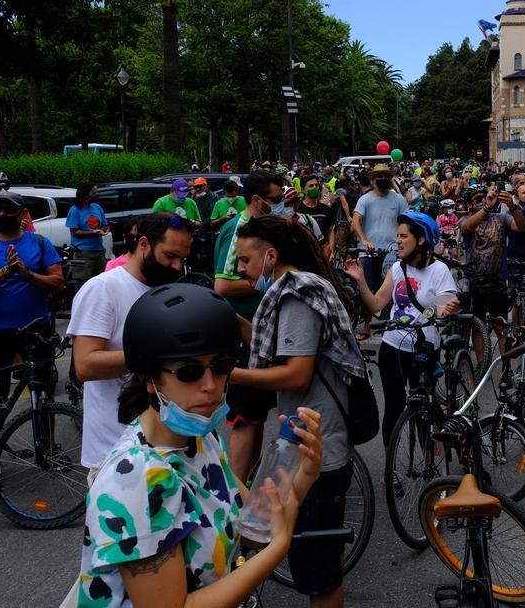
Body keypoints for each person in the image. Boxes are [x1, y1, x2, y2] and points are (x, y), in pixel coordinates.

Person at [76, 283, 324, 608]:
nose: (210, 386)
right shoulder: (137, 481)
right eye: (190, 371)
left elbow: (252, 525)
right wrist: (279, 549)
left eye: (222, 367)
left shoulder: (200, 438)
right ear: (150, 379)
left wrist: (304, 473)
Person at [230, 215, 366, 608]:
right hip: (314, 443)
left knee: (317, 572)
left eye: (244, 260)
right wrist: (238, 324)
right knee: (322, 558)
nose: (241, 269)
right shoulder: (297, 290)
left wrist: (228, 375)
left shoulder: (296, 296)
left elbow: (296, 373)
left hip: (315, 454)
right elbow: (283, 348)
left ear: (270, 256)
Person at [71, 212, 194, 468]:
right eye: (170, 256)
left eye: (182, 259)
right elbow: (85, 365)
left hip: (165, 446)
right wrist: (160, 353)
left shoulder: (166, 289)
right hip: (115, 451)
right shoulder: (103, 288)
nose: (176, 266)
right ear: (144, 244)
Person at [0, 190, 65, 486]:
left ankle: (47, 450)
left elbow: (58, 282)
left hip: (36, 330)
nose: (3, 215)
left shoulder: (40, 244)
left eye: (10, 210)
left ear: (23, 215)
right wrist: (6, 272)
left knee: (43, 391)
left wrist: (28, 274)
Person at [343, 212, 459, 443]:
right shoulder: (396, 268)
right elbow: (376, 304)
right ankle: (390, 473)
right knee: (394, 410)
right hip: (392, 347)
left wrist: (449, 308)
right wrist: (361, 280)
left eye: (403, 236)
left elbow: (443, 312)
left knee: (424, 408)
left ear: (421, 240)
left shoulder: (439, 271)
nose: (397, 240)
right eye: (397, 236)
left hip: (424, 349)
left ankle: (428, 456)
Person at [214, 170, 284, 481]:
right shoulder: (240, 230)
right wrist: (266, 283)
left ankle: (246, 483)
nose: (279, 204)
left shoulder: (260, 227)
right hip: (244, 334)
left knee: (255, 415)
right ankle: (236, 492)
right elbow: (222, 286)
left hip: (260, 332)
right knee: (244, 415)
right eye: (274, 200)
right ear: (257, 200)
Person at [460, 185, 525, 363]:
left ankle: (506, 366)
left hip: (497, 281)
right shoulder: (467, 219)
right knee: (478, 326)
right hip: (475, 283)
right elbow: (467, 227)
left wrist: (513, 206)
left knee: (501, 327)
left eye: (484, 196)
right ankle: (482, 364)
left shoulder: (500, 218)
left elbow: (521, 226)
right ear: (469, 204)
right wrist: (486, 207)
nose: (483, 200)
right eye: (477, 199)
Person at [350, 163, 408, 340]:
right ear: (373, 179)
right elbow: (355, 220)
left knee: (393, 289)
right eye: (379, 176)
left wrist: (402, 242)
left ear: (390, 178)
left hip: (392, 253)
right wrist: (364, 240)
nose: (382, 179)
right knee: (367, 289)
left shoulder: (398, 200)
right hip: (368, 253)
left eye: (386, 176)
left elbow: (406, 222)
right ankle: (367, 326)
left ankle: (392, 324)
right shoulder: (365, 200)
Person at [66, 182, 110, 288]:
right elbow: (74, 232)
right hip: (82, 253)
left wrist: (103, 230)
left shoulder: (97, 207)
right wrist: (92, 232)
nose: (97, 194)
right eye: (94, 192)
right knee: (82, 285)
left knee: (100, 283)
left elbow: (105, 224)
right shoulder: (75, 210)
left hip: (99, 251)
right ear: (86, 195)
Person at [297, 174, 333, 242]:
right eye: (311, 186)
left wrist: (331, 249)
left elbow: (331, 231)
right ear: (303, 190)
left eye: (316, 185)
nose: (315, 188)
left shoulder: (325, 209)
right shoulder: (298, 209)